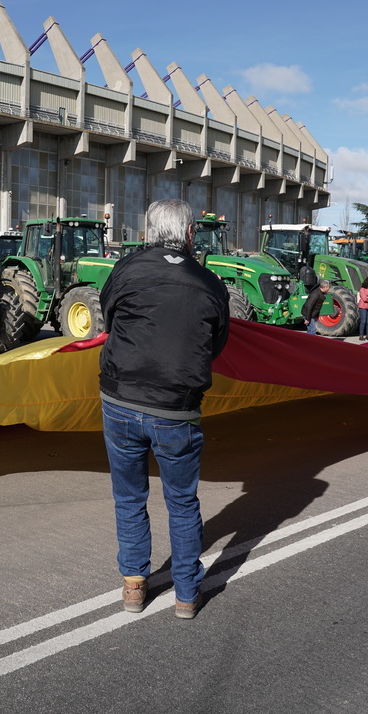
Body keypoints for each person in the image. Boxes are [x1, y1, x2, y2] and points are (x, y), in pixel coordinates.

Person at [99, 199, 230, 620]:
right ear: (190, 234)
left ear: (147, 233)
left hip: (121, 401)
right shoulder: (209, 283)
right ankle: (186, 595)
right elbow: (218, 345)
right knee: (182, 501)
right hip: (177, 408)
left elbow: (108, 318)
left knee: (129, 496)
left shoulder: (126, 270)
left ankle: (134, 584)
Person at [357, 277, 368, 342]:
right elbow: (364, 298)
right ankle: (361, 334)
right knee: (363, 321)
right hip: (363, 307)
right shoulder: (362, 289)